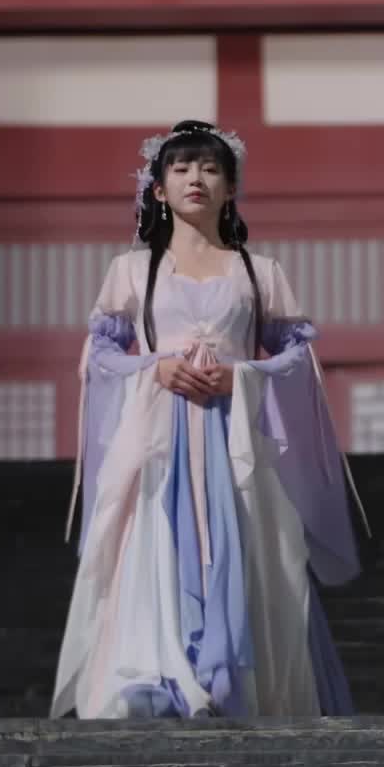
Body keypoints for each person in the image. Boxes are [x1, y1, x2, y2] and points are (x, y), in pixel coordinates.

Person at [52, 119, 362, 720]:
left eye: (211, 168)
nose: (196, 178)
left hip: (235, 438)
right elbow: (102, 354)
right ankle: (159, 672)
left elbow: (297, 356)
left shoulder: (259, 272)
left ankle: (235, 681)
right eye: (182, 168)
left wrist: (241, 374)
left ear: (231, 187)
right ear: (159, 189)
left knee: (252, 547)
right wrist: (155, 368)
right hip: (158, 441)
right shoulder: (131, 270)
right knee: (151, 547)